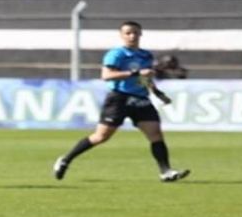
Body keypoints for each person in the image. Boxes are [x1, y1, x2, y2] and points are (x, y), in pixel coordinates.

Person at [53, 21, 189, 182]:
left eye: (135, 33)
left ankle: (165, 171)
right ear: (122, 35)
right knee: (101, 137)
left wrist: (156, 92)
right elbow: (106, 75)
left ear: (141, 34)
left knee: (156, 134)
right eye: (128, 33)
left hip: (140, 99)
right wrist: (136, 72)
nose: (132, 36)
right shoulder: (116, 54)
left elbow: (145, 77)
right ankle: (65, 160)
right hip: (119, 98)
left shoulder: (146, 55)